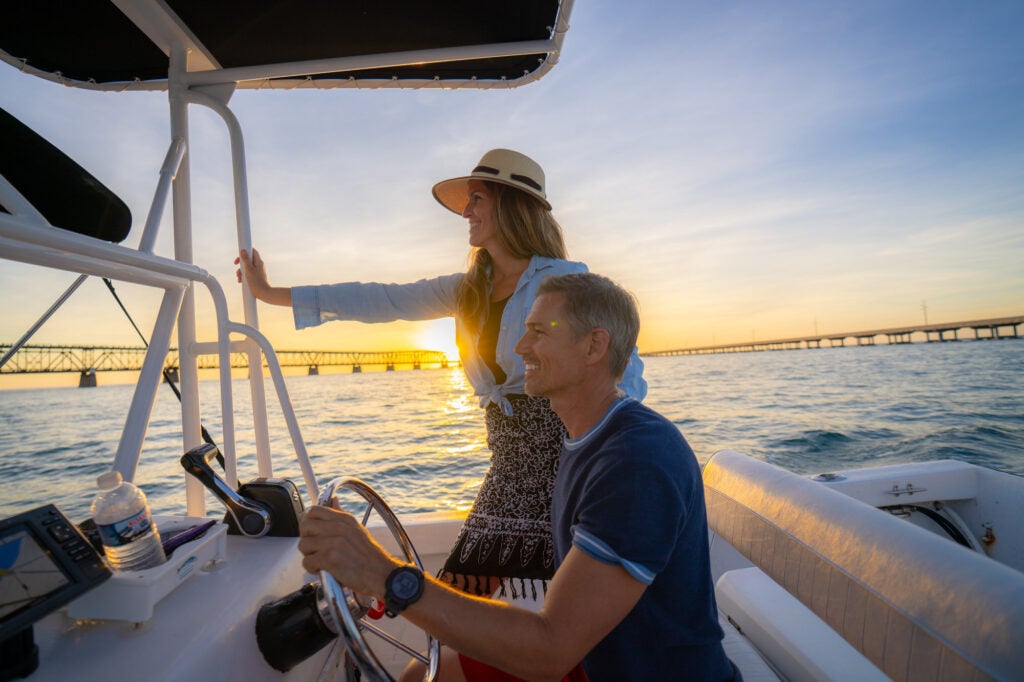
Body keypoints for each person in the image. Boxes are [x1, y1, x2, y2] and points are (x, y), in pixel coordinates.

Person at [235, 149, 647, 599]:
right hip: (508, 460)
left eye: (477, 199)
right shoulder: (469, 288)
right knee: (475, 594)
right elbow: (384, 299)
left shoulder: (563, 282)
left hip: (562, 458)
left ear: (512, 204)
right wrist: (271, 293)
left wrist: (610, 460)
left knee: (495, 595)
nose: (466, 212)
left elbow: (624, 372)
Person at [298, 273, 736, 682]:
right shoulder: (586, 437)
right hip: (596, 660)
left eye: (540, 332)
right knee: (420, 676)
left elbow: (550, 649)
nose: (520, 347)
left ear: (593, 347)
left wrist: (382, 573)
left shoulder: (637, 461)